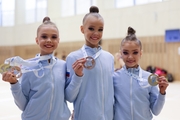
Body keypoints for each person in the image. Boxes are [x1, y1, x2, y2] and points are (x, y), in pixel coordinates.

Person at [1, 17, 71, 120]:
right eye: (44, 36)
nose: (49, 40)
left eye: (53, 37)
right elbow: (23, 105)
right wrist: (14, 83)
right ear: (37, 40)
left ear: (58, 40)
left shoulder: (64, 66)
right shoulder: (28, 66)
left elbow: (70, 95)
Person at [65, 6, 114, 120]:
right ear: (82, 29)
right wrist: (77, 76)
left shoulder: (109, 58)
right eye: (91, 28)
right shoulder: (73, 58)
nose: (96, 33)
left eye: (100, 29)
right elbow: (69, 96)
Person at [113, 27, 169, 120]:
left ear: (141, 53)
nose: (130, 57)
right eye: (126, 53)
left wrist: (162, 93)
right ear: (120, 54)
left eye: (135, 52)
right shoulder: (114, 77)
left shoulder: (150, 78)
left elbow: (156, 111)